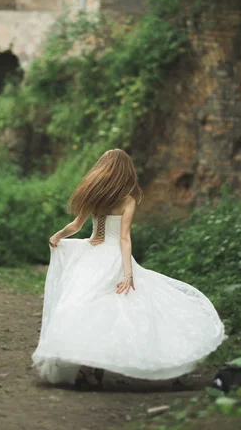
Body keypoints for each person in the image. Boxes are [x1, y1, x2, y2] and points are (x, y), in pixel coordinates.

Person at [32, 149, 225, 389]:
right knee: (128, 309)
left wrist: (59, 234)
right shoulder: (127, 200)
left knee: (87, 308)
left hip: (89, 256)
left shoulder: (93, 195)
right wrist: (127, 273)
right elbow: (124, 239)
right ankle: (93, 369)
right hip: (112, 256)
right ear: (126, 172)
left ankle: (88, 369)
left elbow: (76, 225)